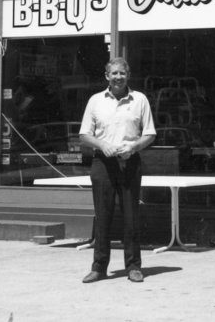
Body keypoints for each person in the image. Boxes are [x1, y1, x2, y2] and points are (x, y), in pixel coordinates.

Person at [79, 57, 156, 283]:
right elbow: (84, 135)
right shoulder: (95, 101)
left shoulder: (140, 99)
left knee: (131, 217)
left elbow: (150, 134)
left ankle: (133, 267)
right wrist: (102, 145)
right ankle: (99, 268)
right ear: (107, 76)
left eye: (122, 73)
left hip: (130, 161)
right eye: (114, 73)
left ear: (128, 75)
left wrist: (134, 146)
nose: (118, 77)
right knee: (103, 216)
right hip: (103, 162)